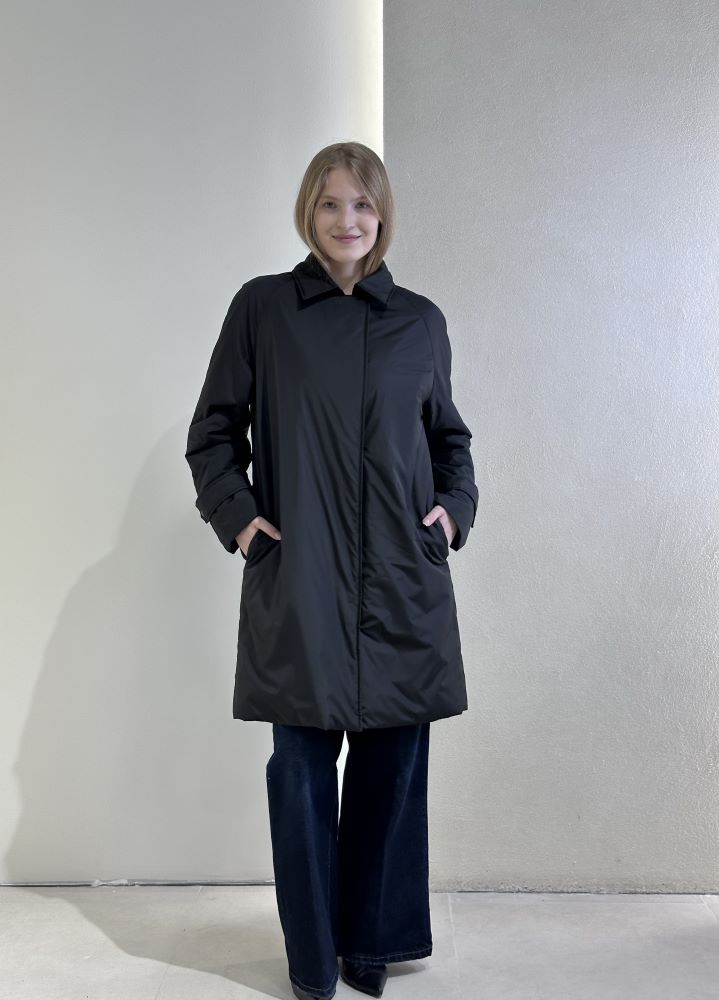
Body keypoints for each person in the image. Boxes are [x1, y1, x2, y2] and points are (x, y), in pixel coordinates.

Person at [185, 141, 479, 1000]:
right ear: (307, 214)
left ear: (382, 215)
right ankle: (313, 957)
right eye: (329, 204)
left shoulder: (419, 321)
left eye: (361, 205)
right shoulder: (264, 309)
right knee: (301, 776)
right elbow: (212, 435)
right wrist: (242, 524)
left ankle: (371, 943)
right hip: (301, 579)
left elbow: (449, 441)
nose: (346, 221)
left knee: (391, 776)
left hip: (401, 580)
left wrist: (451, 513)